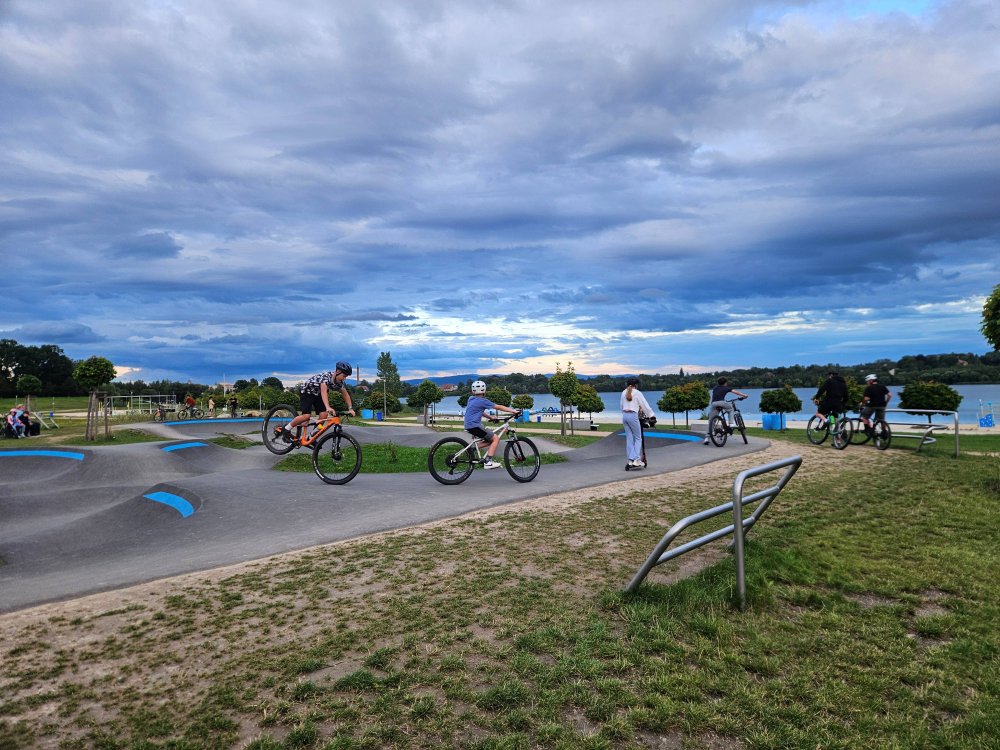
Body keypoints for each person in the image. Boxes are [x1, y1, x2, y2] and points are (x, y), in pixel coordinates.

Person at [277, 362, 355, 442]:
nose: (344, 379)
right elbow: (324, 392)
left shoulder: (340, 383)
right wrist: (327, 407)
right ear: (338, 371)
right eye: (344, 376)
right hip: (307, 392)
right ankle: (286, 429)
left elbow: (346, 395)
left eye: (346, 377)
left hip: (318, 394)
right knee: (306, 416)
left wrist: (350, 408)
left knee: (324, 415)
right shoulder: (326, 377)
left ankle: (311, 437)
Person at [464, 380, 519, 469]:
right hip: (475, 426)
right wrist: (513, 411)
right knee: (495, 438)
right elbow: (499, 407)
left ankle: (472, 448)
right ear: (484, 390)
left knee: (490, 440)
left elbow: (478, 411)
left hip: (468, 425)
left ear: (473, 391)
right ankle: (488, 462)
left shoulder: (470, 399)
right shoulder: (483, 401)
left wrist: (490, 417)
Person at [620, 377, 657, 468]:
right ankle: (636, 460)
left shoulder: (623, 392)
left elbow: (621, 406)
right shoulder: (637, 393)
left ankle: (630, 461)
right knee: (638, 438)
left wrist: (625, 414)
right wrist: (652, 415)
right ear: (636, 385)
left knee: (629, 438)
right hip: (633, 416)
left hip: (625, 416)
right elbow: (644, 405)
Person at [703, 378, 748, 445]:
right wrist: (744, 395)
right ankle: (731, 423)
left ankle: (706, 438)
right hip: (722, 402)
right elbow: (735, 392)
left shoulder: (715, 388)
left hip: (713, 404)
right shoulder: (726, 388)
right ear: (725, 383)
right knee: (731, 409)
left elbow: (717, 394)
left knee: (711, 421)